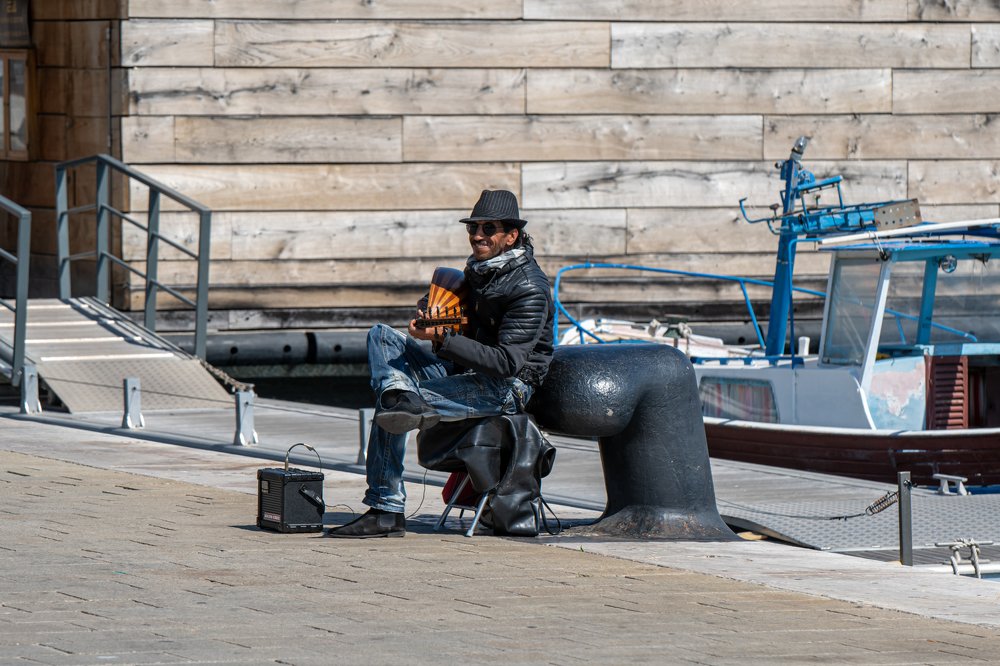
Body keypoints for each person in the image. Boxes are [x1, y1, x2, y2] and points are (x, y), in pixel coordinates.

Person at [327, 189, 554, 538]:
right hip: (464, 370)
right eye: (473, 228)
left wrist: (441, 340)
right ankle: (398, 396)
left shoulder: (528, 287)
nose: (477, 235)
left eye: (487, 228)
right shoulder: (478, 270)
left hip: (507, 387)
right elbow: (457, 316)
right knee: (382, 336)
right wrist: (429, 318)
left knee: (392, 407)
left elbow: (508, 362)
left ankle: (385, 509)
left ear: (511, 235)